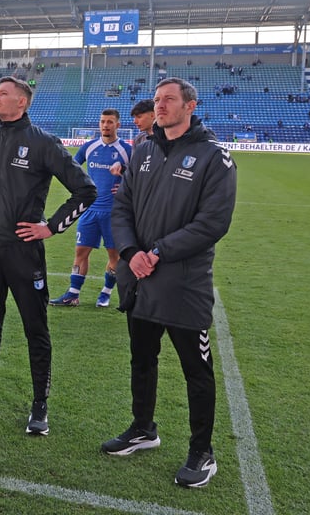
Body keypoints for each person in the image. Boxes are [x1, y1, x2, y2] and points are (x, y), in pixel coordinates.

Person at [102, 77, 236, 489]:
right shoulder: (143, 151)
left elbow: (212, 223)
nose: (160, 106)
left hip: (182, 284)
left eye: (169, 100)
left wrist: (157, 253)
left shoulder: (214, 157)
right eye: (157, 100)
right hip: (139, 279)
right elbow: (121, 207)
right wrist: (130, 253)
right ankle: (143, 428)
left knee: (196, 371)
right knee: (142, 360)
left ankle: (202, 452)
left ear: (190, 106)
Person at [0, 76, 96, 436]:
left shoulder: (44, 143)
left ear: (22, 103)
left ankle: (39, 405)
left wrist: (51, 226)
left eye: (3, 95)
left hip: (23, 253)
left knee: (36, 329)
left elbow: (85, 190)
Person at [49, 108, 132, 308]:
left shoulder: (127, 151)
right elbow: (71, 169)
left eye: (110, 122)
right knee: (81, 251)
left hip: (114, 212)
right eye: (103, 121)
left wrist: (124, 182)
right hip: (89, 210)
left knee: (115, 256)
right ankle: (73, 294)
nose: (105, 125)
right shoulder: (89, 147)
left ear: (118, 125)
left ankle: (106, 293)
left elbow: (140, 176)